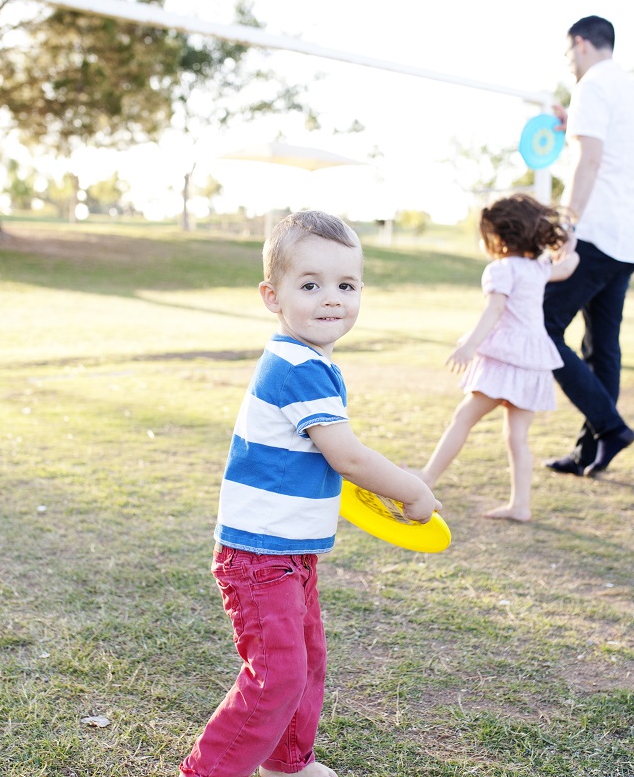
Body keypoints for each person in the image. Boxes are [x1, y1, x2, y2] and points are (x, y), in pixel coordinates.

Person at [180, 211, 441, 777]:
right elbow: (345, 456)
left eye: (346, 285)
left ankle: (286, 763)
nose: (332, 299)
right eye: (311, 284)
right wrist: (411, 490)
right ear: (272, 297)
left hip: (290, 551)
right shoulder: (297, 365)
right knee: (276, 675)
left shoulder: (311, 360)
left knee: (306, 663)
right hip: (259, 557)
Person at [408, 194, 578, 522]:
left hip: (505, 358)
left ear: (498, 237)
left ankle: (428, 476)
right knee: (517, 436)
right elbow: (569, 265)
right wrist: (568, 236)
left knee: (464, 418)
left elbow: (494, 309)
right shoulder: (539, 267)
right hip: (533, 359)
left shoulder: (501, 270)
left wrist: (469, 346)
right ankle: (521, 504)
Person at [544, 15, 634, 477]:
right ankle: (591, 450)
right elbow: (613, 152)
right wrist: (572, 123)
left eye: (568, 52)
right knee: (602, 347)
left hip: (594, 233)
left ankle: (610, 428)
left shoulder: (591, 86)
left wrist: (566, 223)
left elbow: (589, 160)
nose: (568, 61)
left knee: (540, 325)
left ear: (580, 43)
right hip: (628, 237)